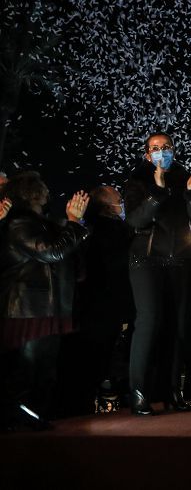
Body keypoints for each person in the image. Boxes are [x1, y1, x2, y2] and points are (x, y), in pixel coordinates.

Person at [123, 133, 191, 415]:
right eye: (155, 148)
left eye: (166, 147)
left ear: (174, 150)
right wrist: (157, 190)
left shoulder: (185, 178)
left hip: (181, 261)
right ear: (147, 154)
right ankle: (138, 392)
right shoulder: (137, 181)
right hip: (147, 260)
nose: (161, 152)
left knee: (179, 325)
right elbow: (136, 220)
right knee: (149, 322)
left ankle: (173, 390)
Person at [0, 173, 89, 429]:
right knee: (29, 373)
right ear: (33, 193)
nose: (48, 193)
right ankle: (20, 424)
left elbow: (68, 257)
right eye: (43, 188)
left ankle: (35, 421)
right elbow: (51, 252)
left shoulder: (41, 223)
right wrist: (73, 221)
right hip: (29, 309)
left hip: (47, 307)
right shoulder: (20, 224)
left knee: (44, 372)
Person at [77, 185, 132, 412]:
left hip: (92, 301)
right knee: (105, 353)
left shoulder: (89, 229)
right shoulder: (114, 230)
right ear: (107, 206)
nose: (121, 202)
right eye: (118, 198)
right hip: (108, 301)